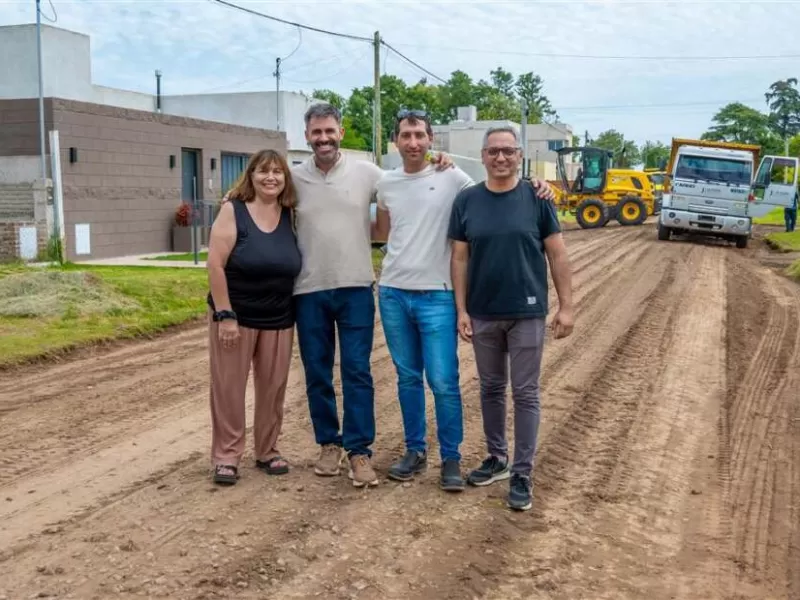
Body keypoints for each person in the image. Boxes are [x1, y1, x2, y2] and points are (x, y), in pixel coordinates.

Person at [374, 110, 557, 493]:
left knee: (443, 381)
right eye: (405, 135)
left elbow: (498, 192)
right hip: (393, 291)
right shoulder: (385, 183)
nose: (413, 142)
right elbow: (385, 233)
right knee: (408, 378)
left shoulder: (454, 178)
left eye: (420, 135)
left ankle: (451, 457)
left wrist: (539, 185)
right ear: (396, 140)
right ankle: (415, 450)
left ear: (431, 139)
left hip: (438, 293)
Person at [289, 102, 454, 488]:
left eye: (330, 131)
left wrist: (439, 162)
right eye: (317, 132)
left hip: (356, 287)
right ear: (307, 136)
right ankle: (329, 443)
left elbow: (409, 179)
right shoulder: (293, 179)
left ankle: (359, 451)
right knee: (317, 372)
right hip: (308, 289)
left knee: (357, 371)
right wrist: (232, 199)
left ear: (341, 132)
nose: (324, 138)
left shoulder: (368, 173)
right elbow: (257, 193)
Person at [448, 125, 574, 511]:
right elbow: (459, 258)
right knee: (490, 388)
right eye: (493, 151)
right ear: (483, 156)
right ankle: (497, 457)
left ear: (519, 155)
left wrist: (567, 306)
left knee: (525, 392)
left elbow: (557, 254)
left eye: (508, 151)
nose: (500, 157)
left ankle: (522, 471)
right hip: (484, 312)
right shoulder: (467, 200)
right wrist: (461, 309)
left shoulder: (537, 198)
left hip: (527, 312)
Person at [205, 149, 301, 486]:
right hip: (236, 315)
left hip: (279, 317)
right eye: (263, 171)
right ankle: (227, 456)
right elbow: (215, 264)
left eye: (277, 171)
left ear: (285, 178)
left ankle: (267, 450)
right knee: (229, 388)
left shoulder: (291, 214)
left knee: (273, 388)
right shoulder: (233, 210)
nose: (270, 177)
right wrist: (225, 315)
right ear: (251, 175)